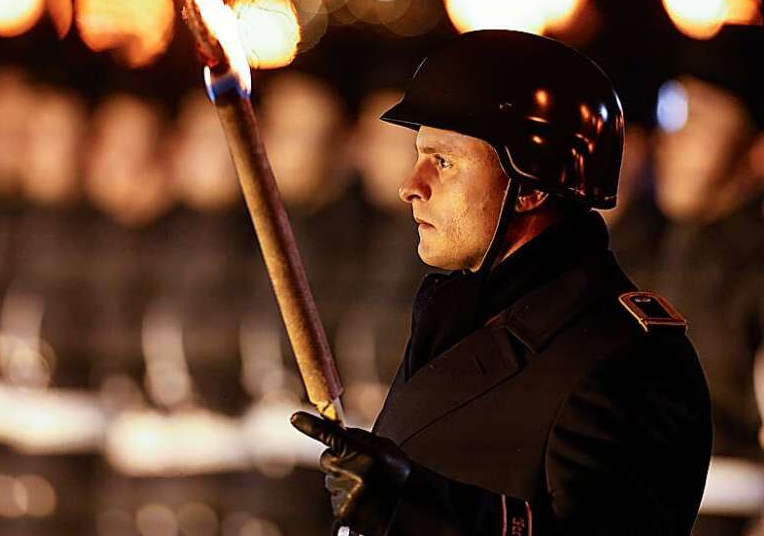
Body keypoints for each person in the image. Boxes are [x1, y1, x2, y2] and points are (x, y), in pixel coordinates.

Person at [291, 29, 712, 534]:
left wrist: (418, 505)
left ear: (531, 185)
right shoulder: (454, 316)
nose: (411, 185)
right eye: (419, 156)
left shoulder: (629, 358)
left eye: (443, 162)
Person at [647, 28, 764, 536]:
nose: (670, 141)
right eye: (672, 115)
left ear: (756, 150)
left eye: (698, 120)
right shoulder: (667, 249)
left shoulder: (755, 274)